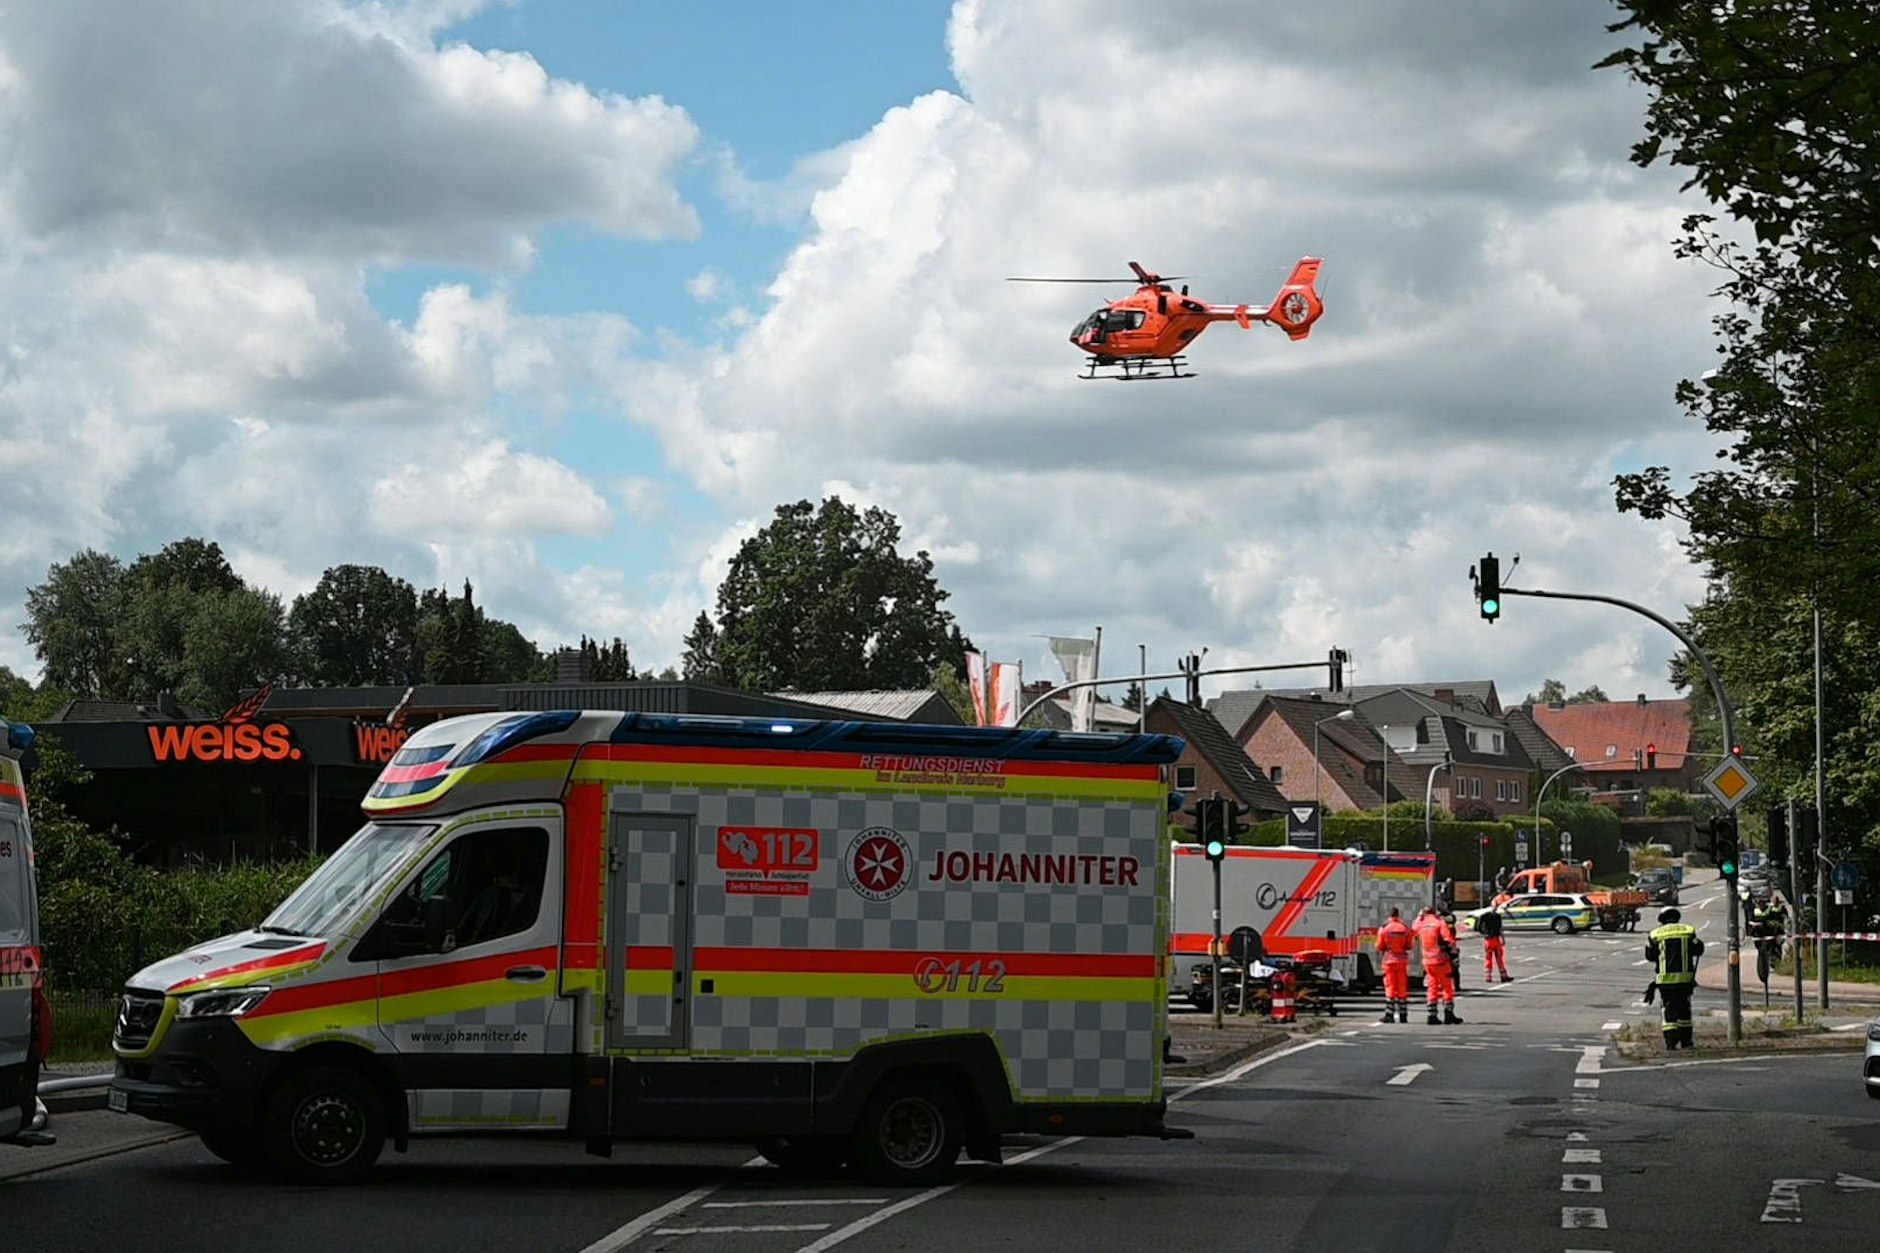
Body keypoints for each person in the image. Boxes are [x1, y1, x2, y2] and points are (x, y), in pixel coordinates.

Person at [1645, 906, 1703, 1049]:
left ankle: (1671, 1043)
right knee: (1684, 1009)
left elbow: (1650, 956)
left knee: (1669, 1011)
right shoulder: (1688, 931)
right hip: (1685, 979)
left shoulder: (1655, 934)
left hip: (1665, 980)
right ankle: (1686, 1041)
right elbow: (1699, 949)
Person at [1414, 906, 1462, 1025]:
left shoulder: (1421, 923)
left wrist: (1419, 917)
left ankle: (1432, 1015)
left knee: (1432, 987)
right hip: (1441, 960)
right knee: (1447, 987)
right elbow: (1449, 940)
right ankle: (1448, 1014)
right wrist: (1454, 955)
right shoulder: (1439, 923)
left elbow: (1413, 930)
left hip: (1427, 961)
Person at [1375, 906, 1416, 1024]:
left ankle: (1389, 1014)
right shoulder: (1405, 928)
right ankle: (1403, 1015)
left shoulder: (1384, 928)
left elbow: (1379, 946)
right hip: (1402, 961)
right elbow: (1410, 946)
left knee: (1390, 987)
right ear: (1398, 915)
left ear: (1389, 916)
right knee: (1402, 987)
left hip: (1389, 960)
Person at [1477, 903, 1511, 982]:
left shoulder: (1486, 916)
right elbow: (1499, 929)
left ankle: (1489, 975)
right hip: (1495, 939)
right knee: (1498, 958)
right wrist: (1502, 938)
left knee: (1489, 958)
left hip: (1489, 939)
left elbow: (1479, 925)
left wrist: (1483, 932)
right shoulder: (1496, 916)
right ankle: (1502, 975)